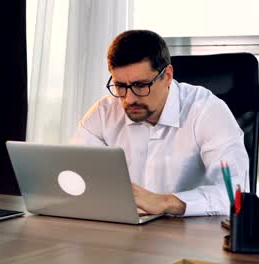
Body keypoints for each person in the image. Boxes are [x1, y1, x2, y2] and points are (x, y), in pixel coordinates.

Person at [71, 30, 248, 216]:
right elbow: (73, 176)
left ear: (168, 76)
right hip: (124, 230)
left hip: (191, 236)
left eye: (141, 85)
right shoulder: (104, 112)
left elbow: (235, 194)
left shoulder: (207, 110)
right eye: (121, 86)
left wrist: (166, 202)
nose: (129, 99)